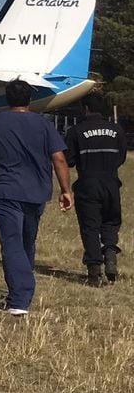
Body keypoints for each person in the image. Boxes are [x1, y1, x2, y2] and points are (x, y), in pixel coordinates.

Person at [0, 79, 73, 316]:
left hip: (6, 191)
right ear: (30, 99)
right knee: (26, 242)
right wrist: (66, 189)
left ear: (6, 99)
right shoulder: (43, 124)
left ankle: (19, 299)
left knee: (12, 243)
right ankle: (23, 289)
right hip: (37, 192)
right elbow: (59, 158)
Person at [65, 93, 127, 285]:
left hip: (88, 185)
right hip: (111, 183)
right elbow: (121, 157)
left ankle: (94, 273)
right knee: (110, 221)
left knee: (90, 227)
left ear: (85, 109)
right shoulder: (116, 130)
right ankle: (109, 250)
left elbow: (69, 160)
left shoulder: (76, 131)